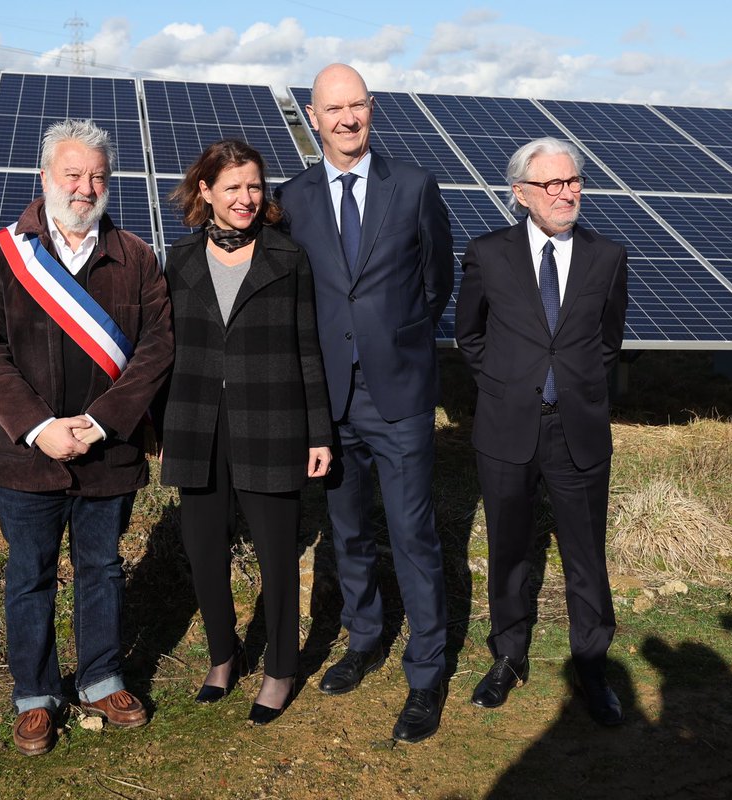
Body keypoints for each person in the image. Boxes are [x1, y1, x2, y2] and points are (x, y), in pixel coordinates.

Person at [0, 119, 174, 756]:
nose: (86, 187)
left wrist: (102, 421)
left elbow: (156, 349)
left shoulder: (136, 257)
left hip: (109, 451)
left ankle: (102, 677)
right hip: (26, 456)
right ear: (45, 177)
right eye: (73, 174)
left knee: (102, 569)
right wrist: (39, 428)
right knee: (29, 574)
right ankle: (35, 694)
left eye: (97, 176)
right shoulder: (2, 255)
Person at [276, 63, 454, 743]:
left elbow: (435, 283)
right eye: (334, 108)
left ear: (371, 110)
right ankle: (364, 637)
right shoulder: (291, 200)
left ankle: (427, 670)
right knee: (347, 530)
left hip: (400, 396)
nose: (348, 118)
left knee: (413, 534)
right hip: (330, 402)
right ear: (313, 118)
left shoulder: (412, 187)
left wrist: (396, 343)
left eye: (359, 105)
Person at [454, 137, 629, 725]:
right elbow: (470, 336)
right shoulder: (487, 254)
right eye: (551, 185)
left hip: (577, 429)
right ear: (521, 194)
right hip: (506, 429)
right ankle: (508, 655)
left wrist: (573, 389)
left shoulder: (607, 256)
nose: (566, 193)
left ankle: (591, 664)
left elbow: (608, 345)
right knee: (508, 549)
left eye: (573, 181)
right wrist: (508, 387)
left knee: (586, 552)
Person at [160, 139, 333, 725]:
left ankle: (281, 667)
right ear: (204, 191)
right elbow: (165, 350)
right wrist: (157, 423)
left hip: (273, 424)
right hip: (197, 424)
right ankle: (221, 656)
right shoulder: (179, 260)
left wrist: (319, 433)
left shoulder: (289, 259)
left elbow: (308, 350)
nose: (245, 199)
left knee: (277, 554)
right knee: (205, 551)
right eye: (231, 187)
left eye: (254, 186)